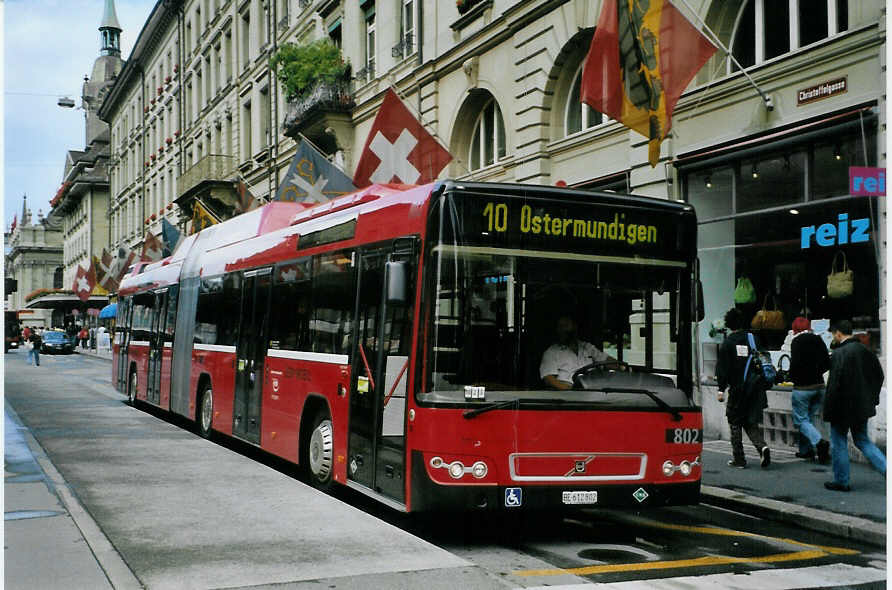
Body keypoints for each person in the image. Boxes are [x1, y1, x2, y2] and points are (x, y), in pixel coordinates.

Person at [822, 320, 885, 491]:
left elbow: (834, 385)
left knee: (838, 441)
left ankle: (841, 481)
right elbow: (879, 376)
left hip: (841, 407)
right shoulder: (867, 351)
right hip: (861, 406)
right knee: (863, 440)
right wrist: (872, 398)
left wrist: (829, 409)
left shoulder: (838, 354)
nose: (833, 337)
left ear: (838, 333)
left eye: (833, 334)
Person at [716, 307, 770, 469]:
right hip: (756, 388)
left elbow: (723, 369)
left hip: (738, 390)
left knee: (734, 422)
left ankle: (739, 458)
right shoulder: (753, 339)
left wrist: (721, 389)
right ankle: (763, 447)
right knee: (750, 422)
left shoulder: (728, 343)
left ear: (729, 324)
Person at [789, 316, 831, 463]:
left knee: (801, 420)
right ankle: (805, 450)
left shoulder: (796, 342)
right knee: (812, 419)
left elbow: (794, 365)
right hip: (819, 386)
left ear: (795, 329)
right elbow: (827, 363)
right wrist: (817, 372)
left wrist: (791, 377)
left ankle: (819, 442)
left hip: (802, 387)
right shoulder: (818, 340)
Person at [540, 315, 619, 390]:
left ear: (575, 327)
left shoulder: (587, 347)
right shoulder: (551, 352)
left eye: (566, 326)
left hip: (593, 390)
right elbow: (549, 378)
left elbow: (607, 361)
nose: (562, 330)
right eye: (560, 327)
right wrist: (570, 390)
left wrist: (620, 366)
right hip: (568, 394)